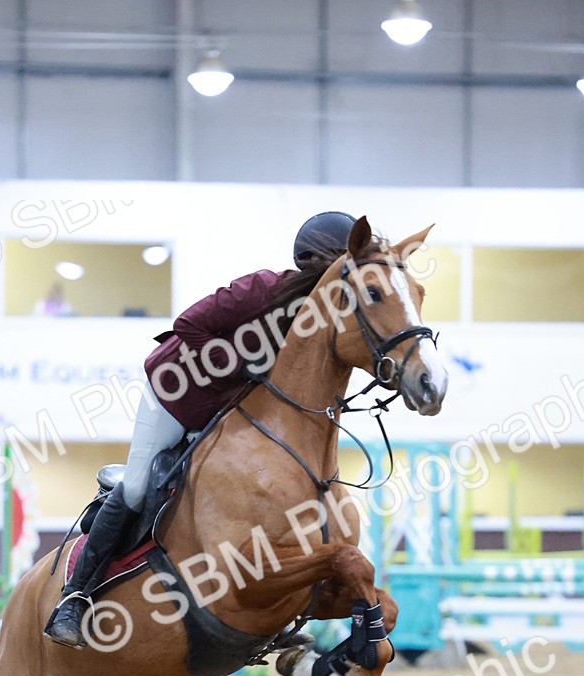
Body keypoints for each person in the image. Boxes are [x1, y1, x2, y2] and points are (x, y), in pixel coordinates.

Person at [44, 211, 357, 648]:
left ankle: (273, 616)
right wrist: (238, 363)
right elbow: (188, 325)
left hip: (230, 408)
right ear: (321, 262)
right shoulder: (262, 289)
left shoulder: (324, 317)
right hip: (177, 393)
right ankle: (74, 597)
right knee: (137, 488)